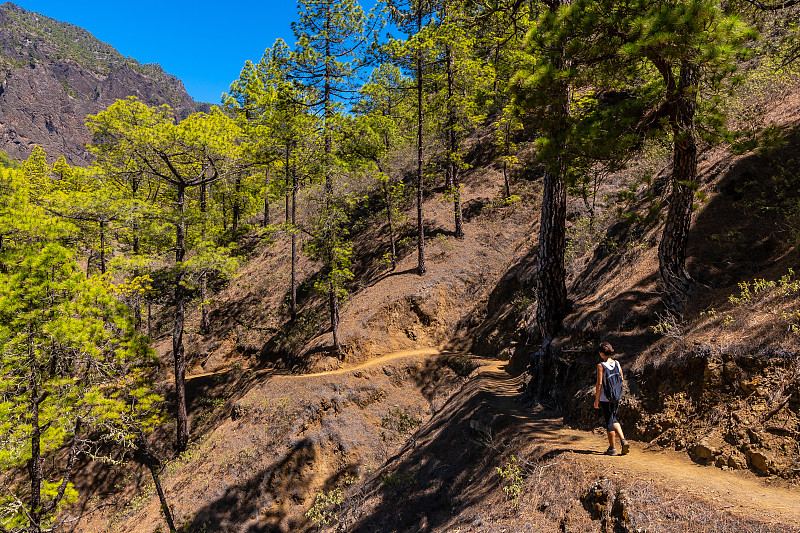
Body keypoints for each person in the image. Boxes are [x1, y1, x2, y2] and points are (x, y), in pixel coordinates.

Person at [593, 341, 629, 456]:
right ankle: (623, 440)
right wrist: (618, 394)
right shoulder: (617, 363)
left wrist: (596, 399)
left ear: (602, 353)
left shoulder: (601, 366)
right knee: (613, 418)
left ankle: (612, 448)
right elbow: (622, 380)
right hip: (616, 396)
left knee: (609, 421)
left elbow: (599, 384)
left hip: (605, 397)